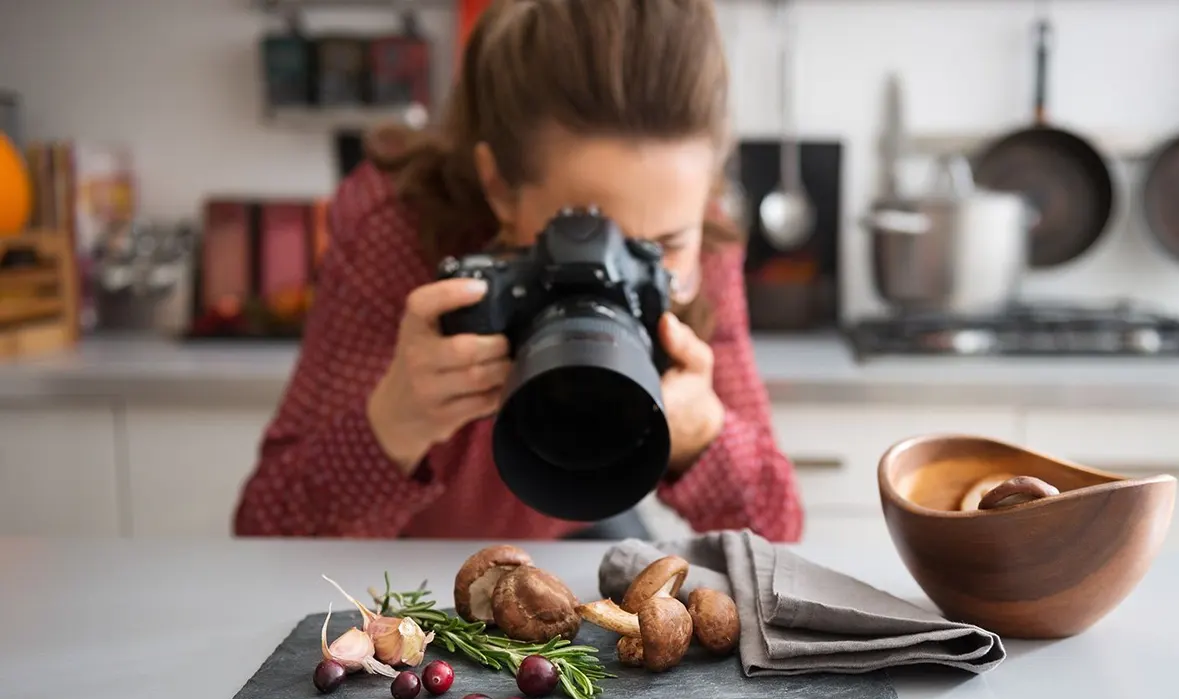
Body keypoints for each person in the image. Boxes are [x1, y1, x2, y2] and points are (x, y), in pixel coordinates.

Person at [232, 0, 804, 542]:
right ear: (498, 186)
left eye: (663, 244)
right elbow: (266, 532)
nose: (616, 273)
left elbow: (779, 532)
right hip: (397, 554)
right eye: (584, 233)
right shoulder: (396, 226)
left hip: (582, 526)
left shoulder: (703, 241)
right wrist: (393, 423)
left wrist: (704, 436)